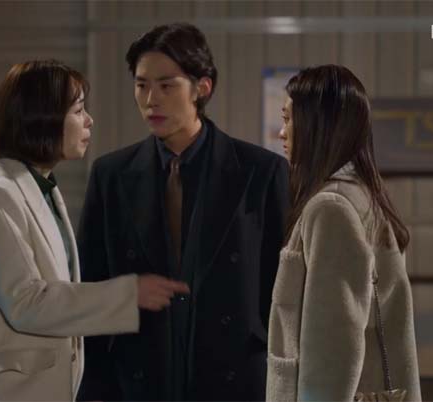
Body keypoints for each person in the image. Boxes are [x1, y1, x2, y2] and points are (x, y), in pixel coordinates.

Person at [0, 59, 189, 402]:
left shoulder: (42, 188)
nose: (89, 120)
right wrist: (128, 294)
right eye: (78, 111)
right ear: (43, 119)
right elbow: (26, 303)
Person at [77, 23, 290, 401]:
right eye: (141, 85)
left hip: (234, 377)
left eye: (166, 85)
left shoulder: (260, 171)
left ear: (202, 88)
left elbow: (281, 290)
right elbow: (90, 283)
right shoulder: (111, 175)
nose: (151, 100)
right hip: (138, 378)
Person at [266, 64, 421, 401]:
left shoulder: (331, 208)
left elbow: (332, 350)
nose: (282, 133)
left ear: (318, 126)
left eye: (289, 119)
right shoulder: (363, 196)